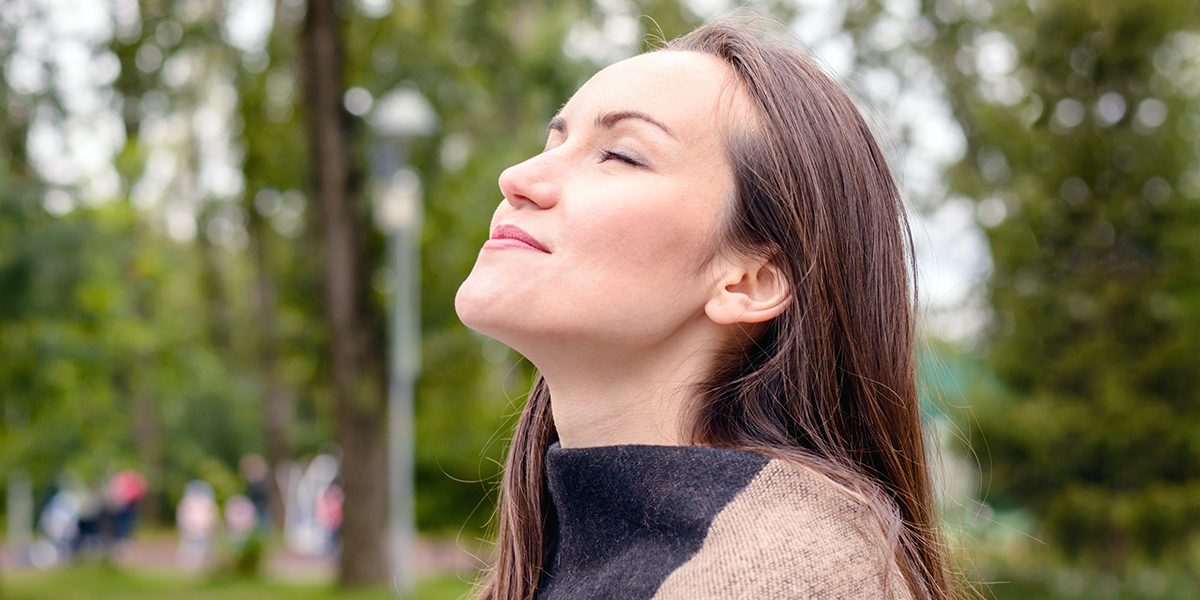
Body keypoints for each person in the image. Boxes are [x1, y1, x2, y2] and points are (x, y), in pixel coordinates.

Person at [455, 16, 955, 600]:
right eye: (555, 142)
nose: (517, 178)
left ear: (750, 281)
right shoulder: (572, 557)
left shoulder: (781, 578)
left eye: (619, 155)